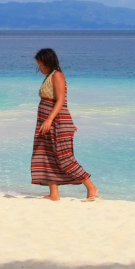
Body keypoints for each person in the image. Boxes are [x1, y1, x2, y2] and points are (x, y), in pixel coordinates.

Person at [31, 47, 98, 201]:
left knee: (64, 158)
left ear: (48, 62)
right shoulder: (49, 76)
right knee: (47, 155)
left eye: (41, 65)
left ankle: (91, 187)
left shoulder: (57, 75)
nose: (39, 68)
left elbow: (61, 100)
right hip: (49, 123)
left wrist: (50, 120)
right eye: (38, 66)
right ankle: (54, 194)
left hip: (55, 122)